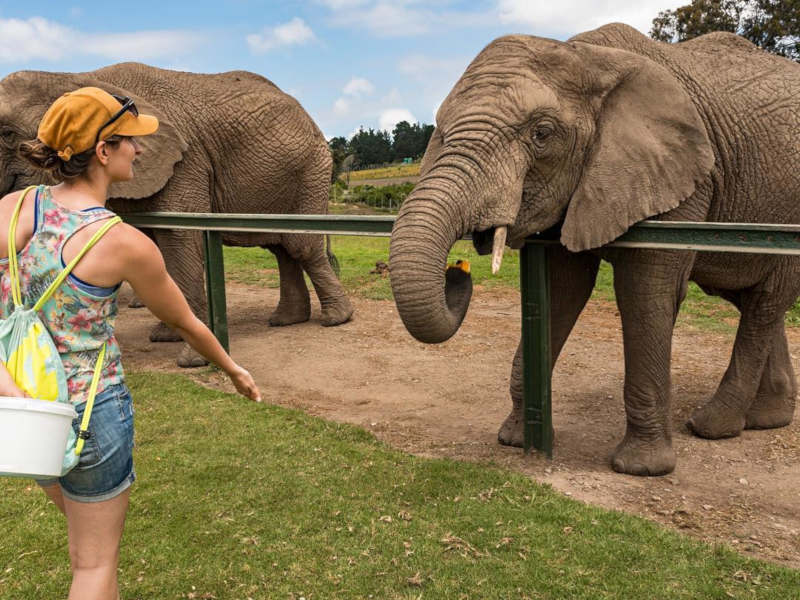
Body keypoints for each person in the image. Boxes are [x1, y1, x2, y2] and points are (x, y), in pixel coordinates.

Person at [0, 87, 261, 600]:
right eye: (130, 142)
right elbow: (185, 320)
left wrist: (7, 386)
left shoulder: (13, 207)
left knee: (86, 549)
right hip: (90, 411)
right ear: (102, 152)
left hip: (27, 409)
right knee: (93, 567)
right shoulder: (121, 243)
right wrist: (232, 369)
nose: (138, 151)